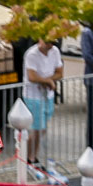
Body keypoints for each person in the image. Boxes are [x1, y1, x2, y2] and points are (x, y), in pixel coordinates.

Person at [23, 33, 62, 164]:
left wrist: (48, 81)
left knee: (42, 129)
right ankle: (29, 157)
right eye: (47, 42)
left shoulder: (55, 51)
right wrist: (49, 81)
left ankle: (33, 156)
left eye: (52, 43)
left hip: (47, 96)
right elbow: (32, 77)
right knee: (36, 129)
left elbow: (59, 72)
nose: (50, 45)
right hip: (34, 96)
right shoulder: (31, 54)